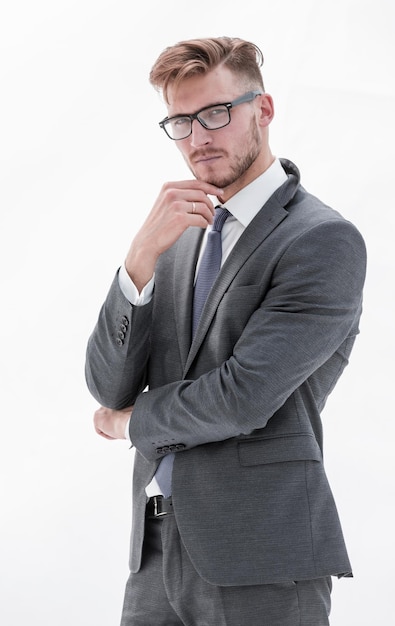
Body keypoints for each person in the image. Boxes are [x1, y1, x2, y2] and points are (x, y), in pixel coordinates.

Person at [85, 36, 366, 626]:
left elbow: (242, 398)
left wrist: (130, 423)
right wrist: (136, 263)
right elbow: (108, 385)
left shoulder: (321, 240)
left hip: (260, 554)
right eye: (181, 122)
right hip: (156, 551)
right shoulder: (177, 232)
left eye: (216, 113)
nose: (198, 138)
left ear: (262, 110)